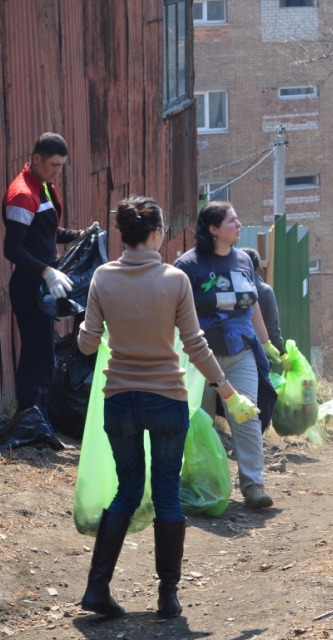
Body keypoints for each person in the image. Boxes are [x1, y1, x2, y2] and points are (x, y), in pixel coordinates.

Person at [75, 197, 257, 619]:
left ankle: (97, 588)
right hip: (166, 400)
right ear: (156, 233)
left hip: (119, 401)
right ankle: (168, 596)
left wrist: (89, 325)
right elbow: (195, 344)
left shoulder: (102, 277)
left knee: (126, 491)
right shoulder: (174, 280)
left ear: (123, 233)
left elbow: (86, 344)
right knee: (167, 495)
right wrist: (227, 391)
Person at [175, 202, 281, 509]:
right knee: (201, 422)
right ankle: (202, 484)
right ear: (213, 229)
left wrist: (267, 342)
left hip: (240, 351)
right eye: (232, 221)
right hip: (200, 357)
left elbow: (253, 304)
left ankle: (253, 484)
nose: (238, 224)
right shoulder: (188, 266)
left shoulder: (244, 261)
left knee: (247, 414)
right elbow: (176, 310)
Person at [2, 133, 87, 414]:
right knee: (36, 357)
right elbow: (13, 248)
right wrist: (46, 271)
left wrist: (78, 235)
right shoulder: (22, 194)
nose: (57, 171)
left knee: (43, 356)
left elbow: (45, 233)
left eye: (61, 165)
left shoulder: (43, 185)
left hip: (41, 281)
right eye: (53, 165)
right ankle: (29, 419)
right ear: (36, 159)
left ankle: (36, 419)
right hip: (30, 284)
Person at [240, 247, 285, 355]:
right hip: (261, 354)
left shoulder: (231, 289)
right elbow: (273, 329)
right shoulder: (265, 291)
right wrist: (283, 354)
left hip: (234, 352)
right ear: (257, 267)